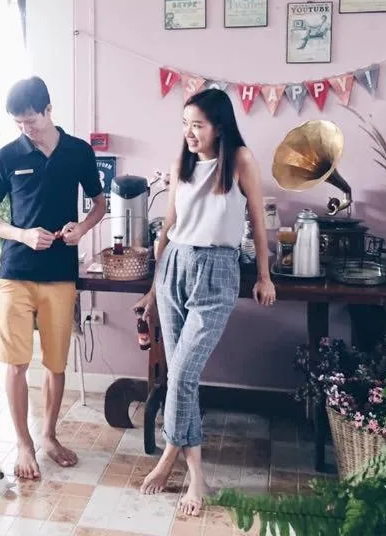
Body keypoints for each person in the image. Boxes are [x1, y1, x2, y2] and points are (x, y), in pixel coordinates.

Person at [133, 87, 276, 516]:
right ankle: (198, 476)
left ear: (219, 126)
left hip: (217, 269)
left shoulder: (240, 161)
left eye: (197, 125)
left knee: (180, 375)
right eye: (184, 124)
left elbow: (256, 220)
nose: (189, 133)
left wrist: (265, 276)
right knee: (182, 378)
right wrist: (152, 286)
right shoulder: (183, 163)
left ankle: (168, 456)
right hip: (174, 264)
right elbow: (170, 225)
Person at [0, 76, 107, 481]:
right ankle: (23, 443)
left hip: (60, 274)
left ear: (49, 111)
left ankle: (49, 437)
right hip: (15, 272)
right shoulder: (6, 157)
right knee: (15, 364)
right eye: (18, 123)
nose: (25, 129)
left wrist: (81, 229)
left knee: (55, 364)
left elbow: (100, 204)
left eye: (31, 120)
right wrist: (21, 233)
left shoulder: (78, 153)